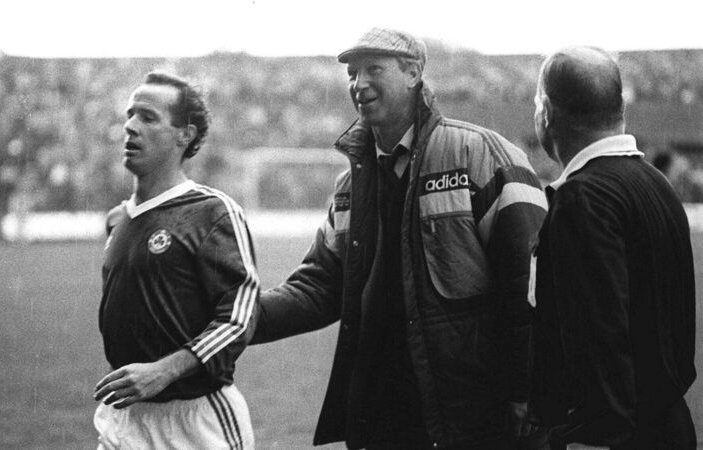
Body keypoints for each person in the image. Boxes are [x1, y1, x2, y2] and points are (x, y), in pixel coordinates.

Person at [252, 28, 548, 449]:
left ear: (413, 73)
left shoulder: (479, 154)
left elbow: (530, 283)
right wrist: (240, 318)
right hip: (384, 415)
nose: (359, 84)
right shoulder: (349, 187)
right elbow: (320, 284)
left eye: (374, 69)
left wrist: (524, 389)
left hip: (472, 414)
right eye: (352, 74)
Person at [529, 47, 698, 450]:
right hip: (668, 425)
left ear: (547, 112)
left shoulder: (582, 198)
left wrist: (586, 438)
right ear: (620, 108)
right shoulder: (655, 183)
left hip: (615, 437)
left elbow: (600, 340)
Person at [93, 71, 258, 449]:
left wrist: (164, 371)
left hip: (195, 422)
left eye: (148, 117)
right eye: (130, 115)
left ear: (185, 134)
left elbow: (238, 319)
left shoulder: (212, 212)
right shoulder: (118, 220)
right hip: (124, 417)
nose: (130, 126)